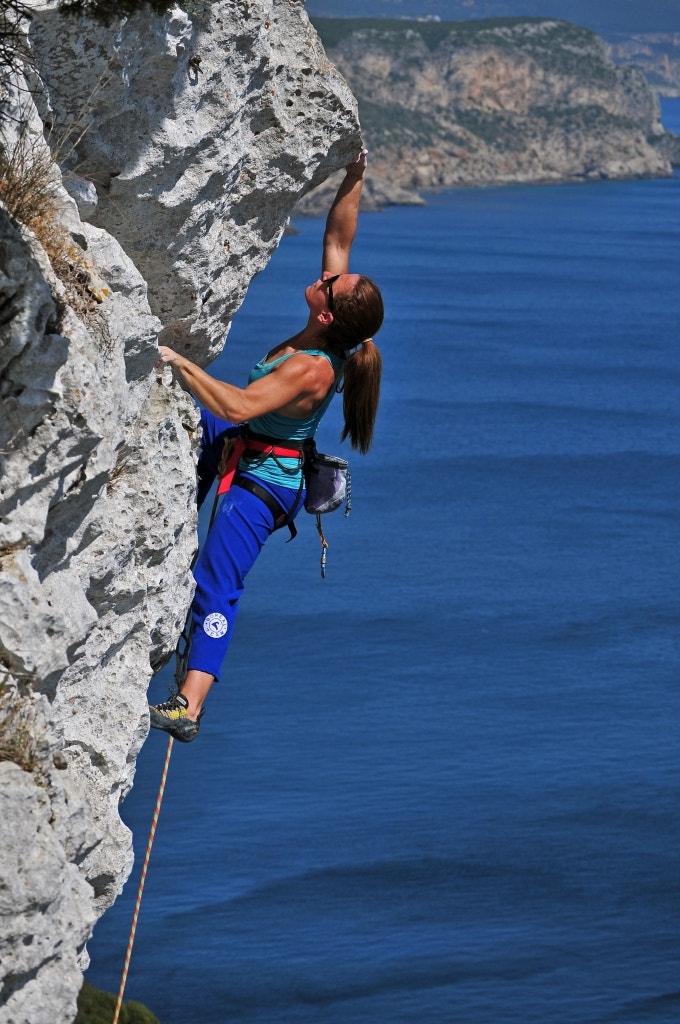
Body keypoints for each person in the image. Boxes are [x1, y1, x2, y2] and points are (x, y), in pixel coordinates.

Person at [149, 150, 384, 742]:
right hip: (246, 446)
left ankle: (190, 706)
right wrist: (355, 176)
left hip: (265, 482)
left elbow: (235, 406)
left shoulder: (313, 369)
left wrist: (178, 362)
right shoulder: (327, 324)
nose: (327, 273)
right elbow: (338, 233)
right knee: (186, 431)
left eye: (333, 284)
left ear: (329, 315)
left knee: (218, 582)